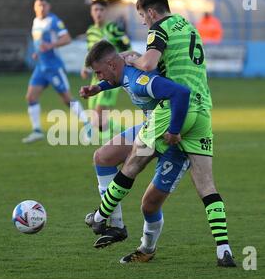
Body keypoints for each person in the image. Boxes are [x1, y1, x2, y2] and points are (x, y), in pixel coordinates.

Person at [86, 0, 236, 267]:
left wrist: (134, 59)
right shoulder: (187, 25)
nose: (143, 22)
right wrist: (102, 83)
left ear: (151, 13)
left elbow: (149, 64)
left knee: (132, 165)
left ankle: (100, 217)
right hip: (202, 111)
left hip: (172, 112)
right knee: (206, 185)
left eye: (142, 16)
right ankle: (223, 249)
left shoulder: (159, 29)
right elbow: (146, 73)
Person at [81, 40, 191, 250]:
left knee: (150, 204)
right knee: (103, 157)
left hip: (169, 132)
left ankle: (146, 248)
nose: (98, 76)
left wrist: (174, 131)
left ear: (112, 65)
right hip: (150, 125)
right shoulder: (123, 68)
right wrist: (98, 87)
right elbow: (116, 79)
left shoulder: (137, 79)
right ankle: (115, 225)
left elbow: (179, 93)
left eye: (99, 72)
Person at [22, 0, 90, 144]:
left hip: (54, 67)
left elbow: (67, 39)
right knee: (31, 97)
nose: (41, 8)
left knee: (66, 98)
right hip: (41, 67)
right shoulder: (36, 21)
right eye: (38, 5)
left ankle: (87, 124)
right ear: (35, 7)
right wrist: (37, 53)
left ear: (49, 7)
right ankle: (37, 131)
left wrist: (51, 45)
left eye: (44, 5)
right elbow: (40, 43)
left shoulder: (54, 21)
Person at [81, 0, 131, 143]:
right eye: (95, 10)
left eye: (101, 10)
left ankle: (106, 145)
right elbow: (90, 53)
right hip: (97, 76)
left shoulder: (113, 29)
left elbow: (127, 46)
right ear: (91, 12)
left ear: (106, 12)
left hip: (112, 76)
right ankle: (128, 134)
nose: (98, 13)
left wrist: (119, 64)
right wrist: (85, 67)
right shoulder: (91, 31)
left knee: (99, 111)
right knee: (96, 116)